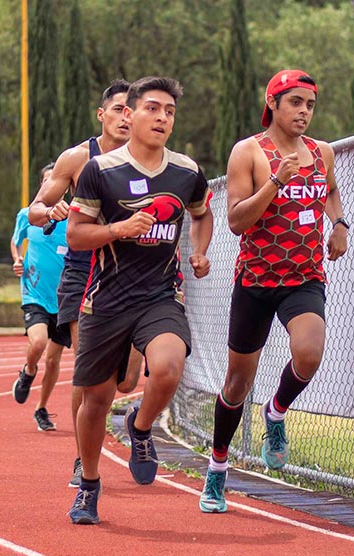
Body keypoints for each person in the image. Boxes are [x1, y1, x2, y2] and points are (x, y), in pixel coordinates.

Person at [65, 76, 213, 525]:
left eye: (169, 111)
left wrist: (200, 250)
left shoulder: (186, 171)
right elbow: (75, 234)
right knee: (96, 398)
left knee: (168, 367)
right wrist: (117, 230)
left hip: (159, 295)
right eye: (153, 108)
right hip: (106, 300)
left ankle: (141, 426)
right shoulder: (100, 169)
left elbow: (202, 213)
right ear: (129, 114)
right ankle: (89, 484)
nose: (163, 118)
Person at [199, 69, 348, 514]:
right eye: (296, 103)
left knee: (309, 352)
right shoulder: (249, 152)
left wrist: (338, 224)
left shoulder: (323, 153)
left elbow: (332, 192)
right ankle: (218, 468)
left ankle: (277, 413)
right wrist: (277, 181)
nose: (304, 112)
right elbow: (236, 220)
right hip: (256, 282)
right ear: (274, 104)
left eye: (310, 104)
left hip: (304, 277)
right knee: (237, 383)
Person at [27, 79, 144, 487]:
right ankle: (84, 458)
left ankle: (137, 421)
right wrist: (51, 209)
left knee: (127, 380)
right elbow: (34, 210)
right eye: (118, 110)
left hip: (134, 274)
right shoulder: (77, 158)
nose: (125, 118)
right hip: (83, 272)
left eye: (133, 110)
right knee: (88, 372)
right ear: (102, 114)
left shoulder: (150, 158)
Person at [10, 163, 71, 432]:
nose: (52, 187)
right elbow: (16, 240)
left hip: (65, 298)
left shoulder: (75, 218)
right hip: (34, 292)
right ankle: (28, 371)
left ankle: (42, 407)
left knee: (54, 360)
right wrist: (17, 259)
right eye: (46, 182)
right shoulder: (27, 214)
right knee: (38, 342)